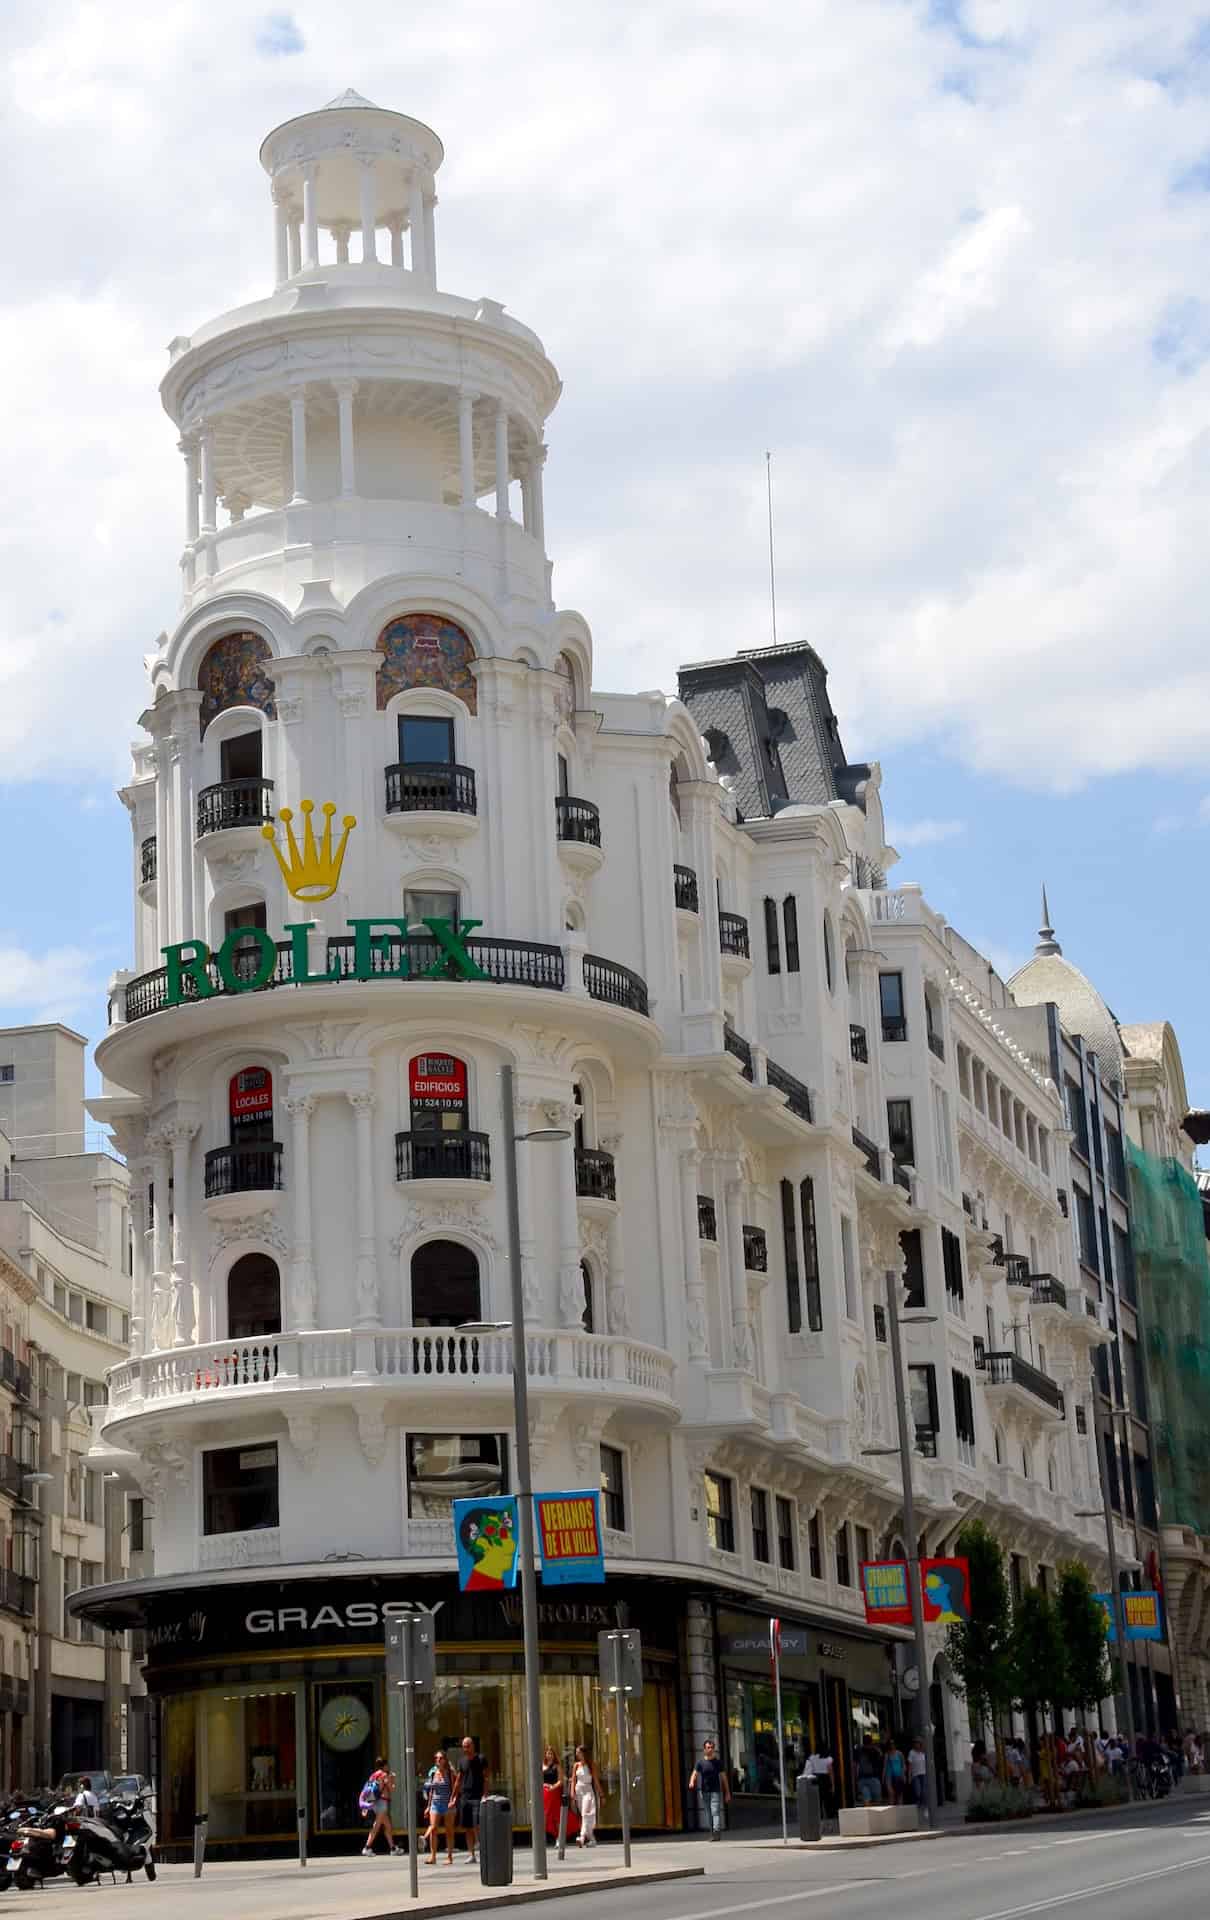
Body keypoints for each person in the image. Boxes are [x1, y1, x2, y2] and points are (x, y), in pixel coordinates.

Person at [688, 1738, 731, 1840]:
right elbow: (694, 1773)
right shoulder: (700, 1763)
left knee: (715, 1811)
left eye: (712, 1748)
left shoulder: (718, 1763)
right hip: (704, 1792)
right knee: (708, 1813)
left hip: (715, 1791)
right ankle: (712, 1833)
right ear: (704, 1749)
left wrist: (727, 1793)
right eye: (708, 1748)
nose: (710, 1749)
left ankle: (716, 1832)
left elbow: (724, 1778)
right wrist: (691, 1781)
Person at [454, 1736, 487, 1863]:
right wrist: (453, 1797)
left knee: (477, 1822)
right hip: (465, 1796)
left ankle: (480, 1845)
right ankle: (471, 1854)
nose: (465, 1749)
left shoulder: (481, 1759)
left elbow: (486, 1778)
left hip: (477, 1796)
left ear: (473, 1746)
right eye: (464, 1747)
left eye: (467, 1746)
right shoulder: (461, 1761)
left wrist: (485, 1795)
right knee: (467, 1826)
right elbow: (458, 1780)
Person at [359, 1756, 398, 1856]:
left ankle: (393, 1848)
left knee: (388, 1825)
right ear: (385, 1766)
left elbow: (370, 1790)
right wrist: (393, 1779)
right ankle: (367, 1847)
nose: (388, 1767)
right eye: (387, 1765)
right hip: (382, 1802)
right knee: (376, 1825)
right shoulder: (385, 1775)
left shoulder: (373, 1775)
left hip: (374, 1802)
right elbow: (391, 1789)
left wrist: (366, 1807)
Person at [423, 1750, 455, 1865]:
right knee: (433, 1828)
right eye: (436, 1758)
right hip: (435, 1804)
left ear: (445, 1760)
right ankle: (433, 1856)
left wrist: (453, 1800)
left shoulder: (450, 1772)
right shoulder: (433, 1772)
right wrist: (428, 1806)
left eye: (440, 1758)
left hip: (447, 1804)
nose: (438, 1760)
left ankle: (450, 1857)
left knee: (449, 1831)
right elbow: (431, 1790)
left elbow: (455, 1788)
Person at [572, 1745, 603, 1846]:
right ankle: (592, 1839)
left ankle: (581, 1837)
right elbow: (573, 1780)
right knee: (584, 1815)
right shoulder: (576, 1765)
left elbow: (596, 1781)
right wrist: (572, 1794)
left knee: (585, 1814)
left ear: (583, 1753)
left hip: (588, 1790)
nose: (576, 1754)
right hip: (579, 1790)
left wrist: (601, 1795)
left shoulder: (591, 1765)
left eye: (578, 1752)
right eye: (576, 1752)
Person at [799, 1745, 834, 1821]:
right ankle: (829, 1818)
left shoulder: (812, 1758)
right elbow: (830, 1771)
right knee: (827, 1801)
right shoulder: (828, 1759)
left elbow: (808, 1770)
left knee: (818, 1800)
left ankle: (819, 1817)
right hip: (825, 1780)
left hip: (815, 1780)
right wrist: (832, 1784)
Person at [541, 1744, 564, 1846]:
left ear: (554, 1755)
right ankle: (542, 1839)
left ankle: (559, 1838)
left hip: (554, 1793)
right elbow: (538, 1780)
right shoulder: (542, 1766)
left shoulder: (557, 1766)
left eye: (551, 1754)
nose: (549, 1755)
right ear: (545, 1754)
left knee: (555, 1816)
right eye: (548, 1753)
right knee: (544, 1816)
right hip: (544, 1792)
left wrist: (552, 1787)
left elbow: (560, 1781)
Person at [855, 1738, 882, 1805]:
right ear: (871, 1743)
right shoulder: (875, 1751)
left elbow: (855, 1766)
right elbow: (881, 1757)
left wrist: (856, 1778)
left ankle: (868, 1813)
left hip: (862, 1778)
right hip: (873, 1778)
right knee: (876, 1800)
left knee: (867, 1799)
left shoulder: (859, 1751)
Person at [881, 1738, 905, 1806]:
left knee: (900, 1794)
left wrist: (903, 1775)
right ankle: (891, 1809)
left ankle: (900, 1811)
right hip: (889, 1776)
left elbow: (903, 1765)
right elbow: (884, 1766)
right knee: (891, 1794)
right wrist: (883, 1778)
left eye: (893, 1743)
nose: (892, 1745)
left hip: (899, 1776)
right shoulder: (887, 1754)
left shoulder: (900, 1753)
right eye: (890, 1744)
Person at [907, 1737, 928, 1810]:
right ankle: (917, 1803)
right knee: (918, 1791)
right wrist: (909, 1776)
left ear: (920, 1744)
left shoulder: (923, 1753)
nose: (917, 1744)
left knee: (924, 1791)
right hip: (915, 1774)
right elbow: (909, 1766)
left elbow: (927, 1764)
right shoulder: (911, 1752)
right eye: (915, 1743)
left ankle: (923, 1805)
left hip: (924, 1773)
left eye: (918, 1743)